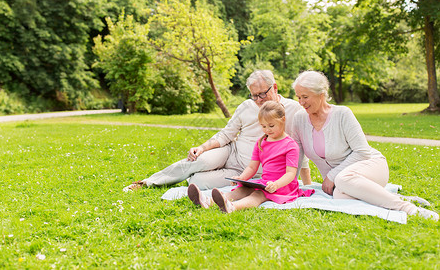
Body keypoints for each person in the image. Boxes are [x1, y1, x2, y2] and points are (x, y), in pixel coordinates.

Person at [124, 70, 311, 191]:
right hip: (232, 153)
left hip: (253, 171)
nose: (260, 99)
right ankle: (147, 182)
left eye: (264, 93)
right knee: (199, 160)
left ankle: (191, 178)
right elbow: (227, 133)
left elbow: (300, 148)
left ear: (275, 87)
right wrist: (203, 147)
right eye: (255, 96)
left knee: (198, 182)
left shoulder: (293, 110)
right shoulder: (246, 106)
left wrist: (305, 182)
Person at [291, 70, 439, 220]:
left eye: (305, 97)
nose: (301, 102)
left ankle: (409, 209)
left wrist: (331, 176)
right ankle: (391, 197)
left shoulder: (342, 114)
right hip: (342, 183)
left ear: (321, 94)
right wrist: (288, 184)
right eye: (298, 97)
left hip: (370, 165)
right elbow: (296, 156)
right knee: (339, 196)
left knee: (342, 179)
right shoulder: (299, 119)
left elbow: (362, 152)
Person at [187, 101, 315, 213]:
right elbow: (252, 167)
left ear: (283, 119)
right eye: (263, 126)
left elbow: (290, 174)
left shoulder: (290, 145)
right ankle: (208, 201)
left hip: (283, 186)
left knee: (258, 195)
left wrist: (276, 185)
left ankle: (232, 207)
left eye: (271, 126)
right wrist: (241, 178)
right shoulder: (261, 142)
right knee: (242, 190)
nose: (267, 130)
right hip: (265, 182)